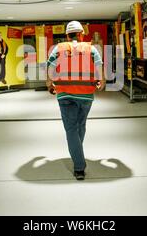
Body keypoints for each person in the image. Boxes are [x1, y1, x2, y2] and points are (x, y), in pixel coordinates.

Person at [46, 21, 105, 180]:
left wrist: (49, 82)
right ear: (81, 34)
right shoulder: (91, 48)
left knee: (71, 129)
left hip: (65, 94)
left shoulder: (58, 48)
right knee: (81, 125)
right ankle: (78, 152)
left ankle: (79, 167)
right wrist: (101, 80)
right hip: (86, 94)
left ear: (66, 35)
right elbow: (99, 66)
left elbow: (50, 68)